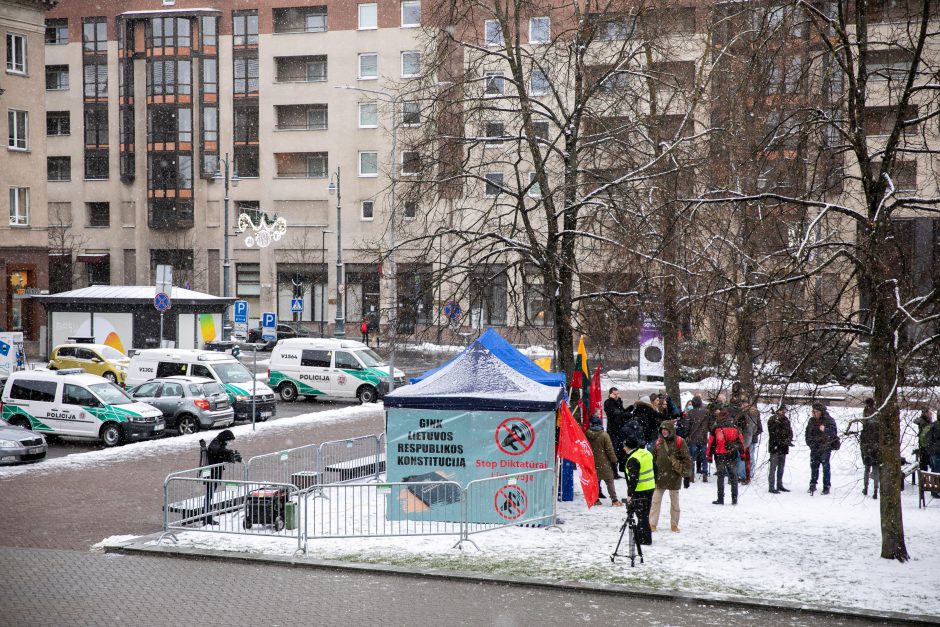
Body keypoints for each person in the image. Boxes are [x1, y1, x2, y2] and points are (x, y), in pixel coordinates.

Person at [649, 420, 691, 532]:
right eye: (662, 430)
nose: (664, 432)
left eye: (666, 430)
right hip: (660, 476)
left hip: (675, 475)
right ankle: (652, 524)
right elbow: (652, 458)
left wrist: (687, 476)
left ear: (670, 430)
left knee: (675, 503)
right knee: (655, 501)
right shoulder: (658, 442)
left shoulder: (679, 441)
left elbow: (686, 459)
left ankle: (674, 524)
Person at [202, 430, 242, 524]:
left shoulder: (220, 443)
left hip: (215, 473)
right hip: (212, 474)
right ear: (225, 438)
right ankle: (206, 518)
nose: (228, 443)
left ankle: (206, 517)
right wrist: (229, 452)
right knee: (209, 495)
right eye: (229, 440)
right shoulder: (215, 443)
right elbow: (217, 451)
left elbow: (220, 455)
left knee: (210, 495)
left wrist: (232, 457)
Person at [707, 411, 747, 505]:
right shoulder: (735, 427)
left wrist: (709, 456)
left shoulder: (716, 427)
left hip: (719, 454)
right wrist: (742, 454)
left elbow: (711, 443)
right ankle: (734, 499)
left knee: (720, 476)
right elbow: (741, 442)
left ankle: (720, 498)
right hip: (731, 453)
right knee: (733, 476)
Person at [623, 436, 654, 545]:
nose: (624, 448)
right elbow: (655, 468)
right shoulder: (646, 453)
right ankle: (643, 536)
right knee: (645, 513)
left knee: (641, 515)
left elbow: (633, 479)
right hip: (650, 488)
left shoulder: (633, 459)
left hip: (640, 490)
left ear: (628, 447)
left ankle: (644, 539)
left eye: (625, 446)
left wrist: (630, 494)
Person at [585, 415, 621, 506]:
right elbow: (609, 450)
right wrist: (614, 460)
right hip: (604, 462)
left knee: (595, 481)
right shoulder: (604, 435)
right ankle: (614, 500)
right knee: (609, 481)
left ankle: (596, 499)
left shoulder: (587, 434)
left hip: (592, 462)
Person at [806, 402, 839, 495]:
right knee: (814, 466)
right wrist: (810, 443)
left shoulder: (829, 420)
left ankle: (826, 486)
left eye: (815, 411)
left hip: (825, 448)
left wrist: (825, 430)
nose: (814, 413)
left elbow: (834, 433)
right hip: (814, 448)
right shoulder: (811, 421)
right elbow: (807, 433)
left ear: (820, 412)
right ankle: (813, 484)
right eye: (813, 411)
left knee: (825, 467)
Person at [682, 395, 711, 484]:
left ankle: (691, 475)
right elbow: (709, 425)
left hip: (692, 438)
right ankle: (705, 473)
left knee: (692, 457)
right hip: (703, 437)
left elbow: (686, 426)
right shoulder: (706, 412)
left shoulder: (689, 413)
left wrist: (686, 434)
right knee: (704, 457)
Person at [766, 405, 793, 493]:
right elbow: (773, 432)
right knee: (773, 467)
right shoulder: (772, 419)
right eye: (781, 410)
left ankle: (779, 484)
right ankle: (771, 486)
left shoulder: (786, 419)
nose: (783, 412)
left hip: (783, 447)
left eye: (784, 410)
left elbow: (789, 431)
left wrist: (788, 439)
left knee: (781, 467)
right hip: (775, 446)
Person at [604, 387, 627, 479]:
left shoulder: (619, 402)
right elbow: (612, 412)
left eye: (617, 394)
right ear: (610, 394)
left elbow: (622, 412)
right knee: (613, 451)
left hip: (620, 430)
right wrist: (612, 400)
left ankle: (618, 470)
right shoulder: (608, 402)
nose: (617, 396)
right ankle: (613, 472)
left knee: (621, 451)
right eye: (614, 394)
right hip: (613, 431)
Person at [859, 400, 880, 499]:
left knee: (867, 469)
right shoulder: (877, 413)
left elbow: (862, 439)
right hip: (876, 448)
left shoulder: (867, 421)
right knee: (875, 469)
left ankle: (866, 488)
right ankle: (876, 490)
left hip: (867, 448)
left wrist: (863, 450)